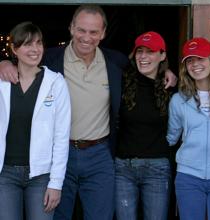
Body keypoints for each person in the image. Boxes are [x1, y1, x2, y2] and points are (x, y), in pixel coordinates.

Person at [0, 5, 177, 220]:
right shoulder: (51, 59)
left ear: (103, 33)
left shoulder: (115, 62)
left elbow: (145, 69)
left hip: (99, 154)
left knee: (100, 215)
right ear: (71, 28)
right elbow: (26, 59)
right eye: (81, 30)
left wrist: (166, 70)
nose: (87, 37)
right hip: (58, 155)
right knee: (57, 215)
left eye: (94, 32)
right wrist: (4, 62)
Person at [0, 22, 71, 220]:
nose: (35, 49)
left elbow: (61, 136)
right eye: (28, 44)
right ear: (14, 49)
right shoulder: (2, 81)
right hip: (4, 174)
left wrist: (56, 183)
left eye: (38, 43)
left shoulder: (56, 83)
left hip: (41, 176)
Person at [115, 31, 172, 220]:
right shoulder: (122, 82)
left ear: (162, 55)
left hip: (157, 169)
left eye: (150, 51)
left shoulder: (171, 89)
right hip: (123, 168)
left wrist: (172, 74)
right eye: (140, 51)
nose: (143, 57)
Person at [167, 37, 210, 220]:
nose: (195, 64)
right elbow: (171, 138)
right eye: (190, 60)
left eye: (200, 58)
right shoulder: (178, 100)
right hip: (188, 177)